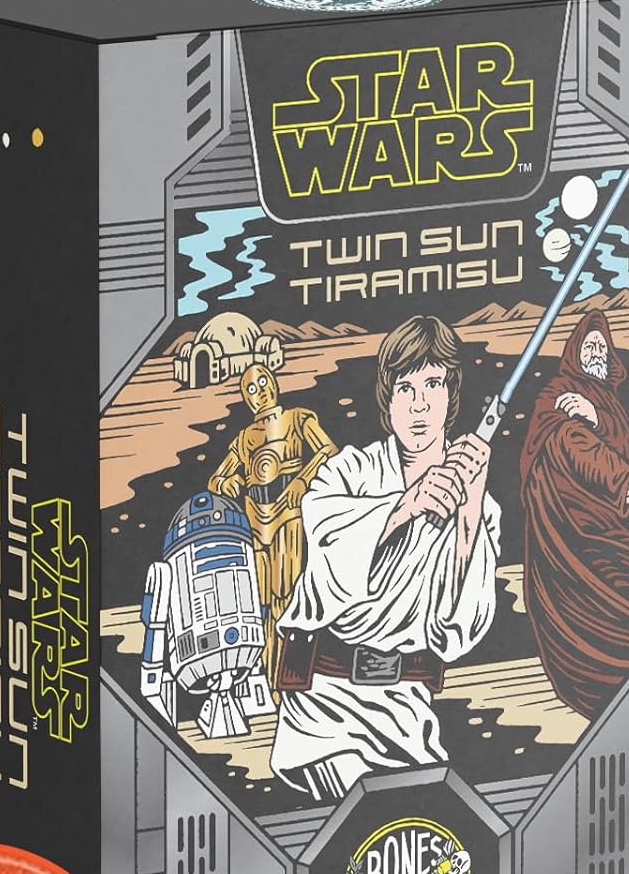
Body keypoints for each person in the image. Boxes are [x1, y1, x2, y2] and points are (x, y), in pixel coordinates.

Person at [270, 315, 500, 803]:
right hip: (325, 708)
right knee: (366, 812)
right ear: (387, 398)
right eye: (405, 388)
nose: (419, 405)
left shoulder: (482, 507)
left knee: (425, 822)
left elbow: (458, 631)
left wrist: (470, 509)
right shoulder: (346, 473)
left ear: (451, 394)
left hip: (406, 708)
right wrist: (404, 506)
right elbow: (329, 554)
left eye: (433, 385)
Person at [519, 307, 629, 720]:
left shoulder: (607, 403)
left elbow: (623, 447)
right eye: (589, 346)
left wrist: (596, 416)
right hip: (563, 519)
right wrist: (624, 480)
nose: (596, 352)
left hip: (602, 520)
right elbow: (562, 441)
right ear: (574, 352)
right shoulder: (556, 391)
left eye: (602, 346)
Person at [208, 364, 336, 686]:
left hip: (288, 516)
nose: (260, 391)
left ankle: (287, 679)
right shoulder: (244, 439)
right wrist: (228, 482)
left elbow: (327, 450)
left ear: (275, 383)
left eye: (263, 381)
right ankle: (266, 679)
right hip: (255, 521)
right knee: (260, 604)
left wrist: (303, 480)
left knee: (287, 598)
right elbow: (216, 478)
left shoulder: (296, 419)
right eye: (250, 388)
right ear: (245, 398)